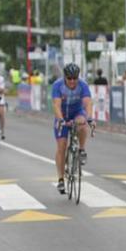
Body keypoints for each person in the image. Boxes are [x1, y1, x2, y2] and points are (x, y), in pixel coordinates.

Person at [52, 63, 94, 194]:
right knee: (62, 146)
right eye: (69, 78)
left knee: (82, 123)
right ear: (65, 77)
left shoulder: (83, 85)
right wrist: (60, 120)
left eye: (74, 78)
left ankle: (81, 150)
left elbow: (88, 103)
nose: (72, 81)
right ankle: (60, 179)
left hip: (77, 113)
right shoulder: (57, 85)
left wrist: (89, 118)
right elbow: (56, 105)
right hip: (62, 115)